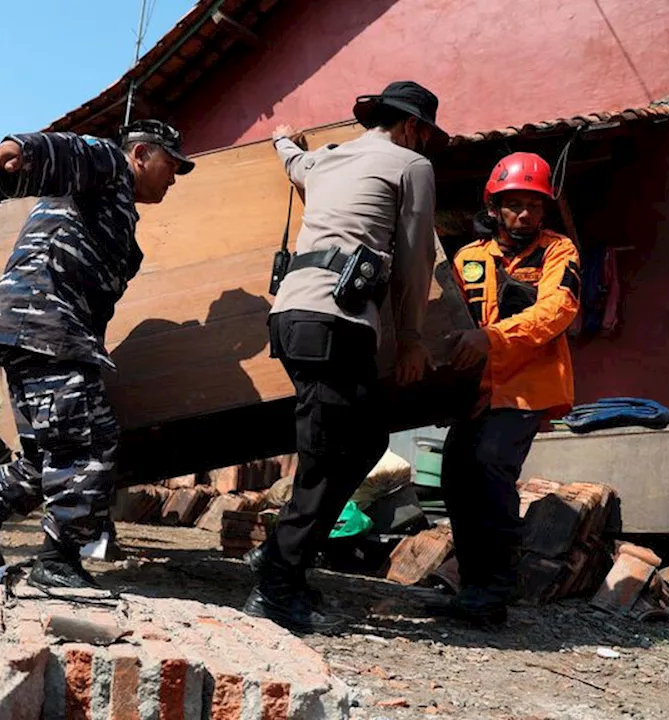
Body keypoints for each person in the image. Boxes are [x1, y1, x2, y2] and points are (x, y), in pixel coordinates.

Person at [0, 119, 194, 590]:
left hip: (35, 328)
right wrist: (17, 148)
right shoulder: (110, 168)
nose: (174, 177)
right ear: (142, 153)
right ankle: (57, 561)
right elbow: (74, 151)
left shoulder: (116, 210)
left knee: (48, 446)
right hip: (44, 323)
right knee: (88, 441)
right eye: (171, 164)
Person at [245, 81, 446, 633]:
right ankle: (275, 584)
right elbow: (414, 256)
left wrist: (284, 142)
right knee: (330, 455)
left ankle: (283, 562)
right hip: (337, 324)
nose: (424, 143)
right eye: (425, 133)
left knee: (358, 443)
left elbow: (293, 163)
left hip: (291, 321)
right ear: (412, 127)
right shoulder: (411, 165)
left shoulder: (327, 161)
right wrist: (411, 337)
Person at [437, 151, 580, 625]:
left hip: (526, 388)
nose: (524, 215)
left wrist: (492, 339)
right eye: (514, 205)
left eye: (534, 206)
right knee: (455, 478)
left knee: (490, 469)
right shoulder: (468, 258)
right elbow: (448, 319)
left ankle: (494, 592)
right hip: (473, 391)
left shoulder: (558, 251)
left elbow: (558, 309)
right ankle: (473, 584)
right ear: (494, 207)